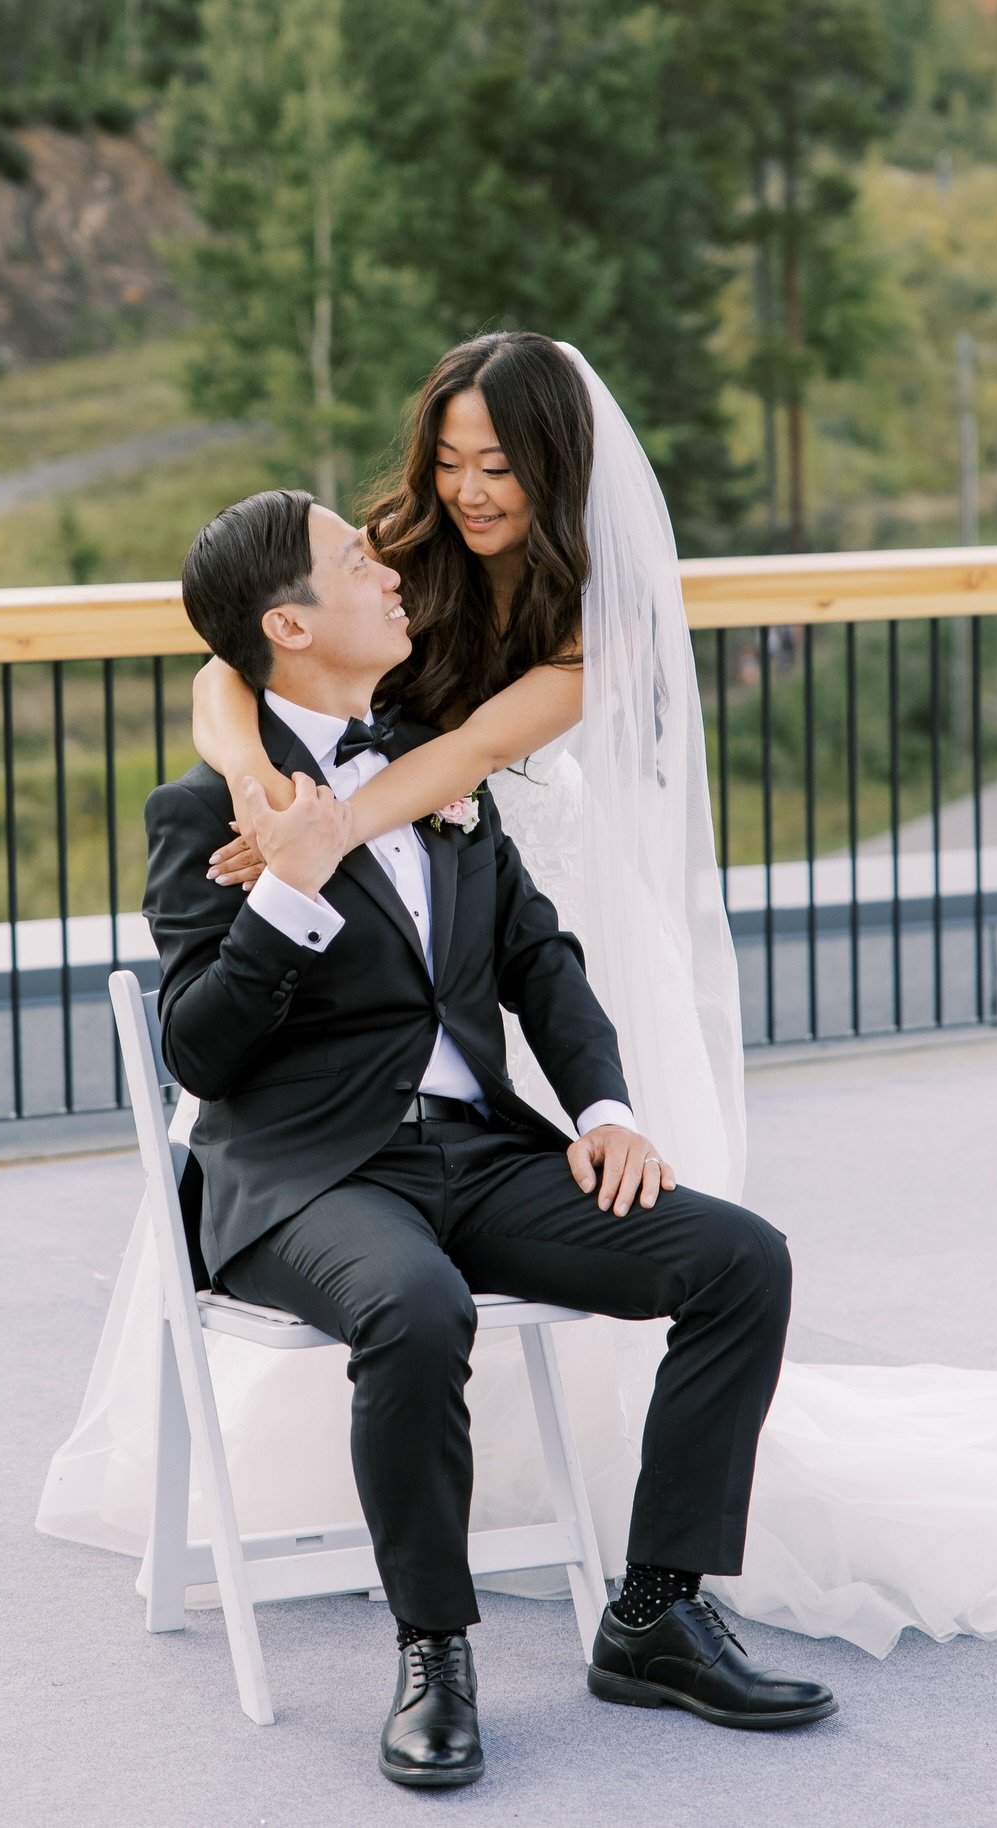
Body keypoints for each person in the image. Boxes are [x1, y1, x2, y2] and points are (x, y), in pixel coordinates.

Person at [40, 333, 997, 1662]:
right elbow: (231, 660)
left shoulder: (583, 625)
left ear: (558, 469)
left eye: (499, 465)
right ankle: (432, 1626)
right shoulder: (371, 571)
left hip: (494, 892)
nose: (468, 490)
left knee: (708, 1241)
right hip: (342, 976)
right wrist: (267, 806)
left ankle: (649, 1592)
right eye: (450, 460)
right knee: (404, 1283)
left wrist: (343, 840)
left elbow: (472, 766)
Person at [135, 484, 835, 1784]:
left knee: (741, 1259)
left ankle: (657, 1614)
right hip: (308, 1179)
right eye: (357, 560)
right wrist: (286, 887)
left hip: (480, 1156)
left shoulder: (433, 771)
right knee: (416, 1307)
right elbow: (196, 1048)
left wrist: (608, 1111)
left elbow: (537, 957)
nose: (389, 573)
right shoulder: (203, 813)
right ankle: (434, 1651)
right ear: (290, 625)